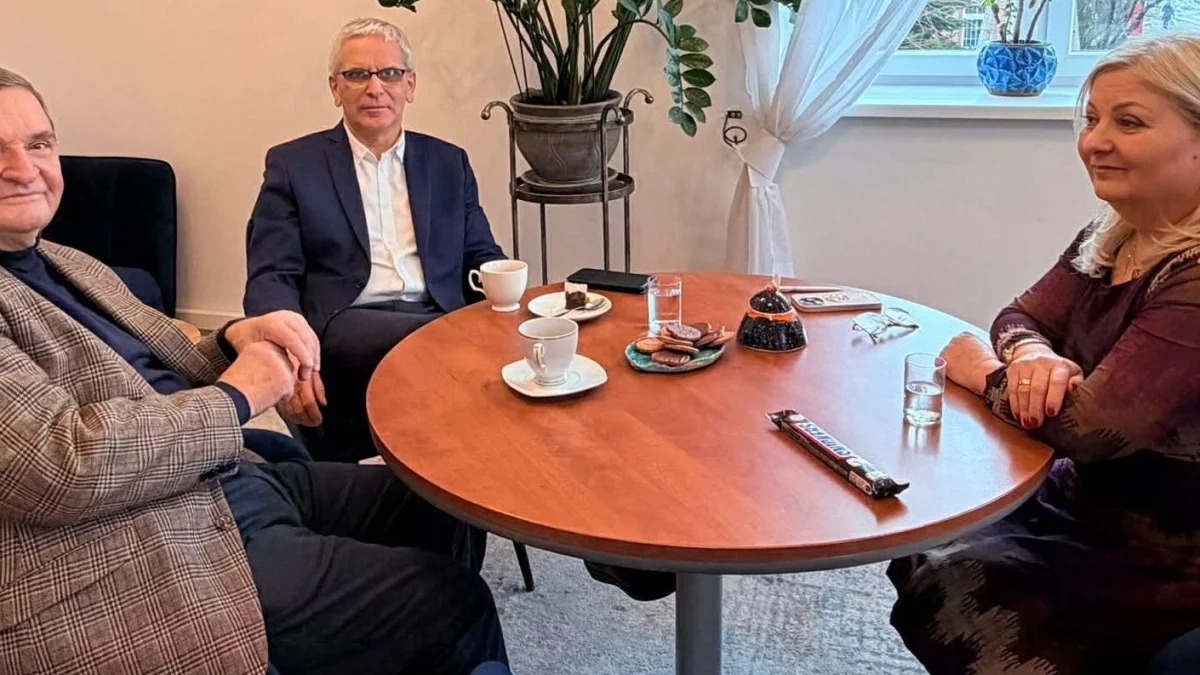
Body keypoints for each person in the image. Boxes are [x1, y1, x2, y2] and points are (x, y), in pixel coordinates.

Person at [0, 68, 505, 675]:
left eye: (39, 144)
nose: (23, 168)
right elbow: (60, 465)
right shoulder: (297, 163)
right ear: (335, 86)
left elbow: (162, 360)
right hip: (136, 539)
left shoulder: (67, 262)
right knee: (453, 603)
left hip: (218, 475)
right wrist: (240, 394)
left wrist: (233, 338)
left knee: (439, 503)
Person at [888, 35, 1200, 674]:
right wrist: (1032, 355)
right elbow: (1020, 316)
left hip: (1163, 555)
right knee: (926, 540)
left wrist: (983, 370)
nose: (1093, 142)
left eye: (1129, 123)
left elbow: (1089, 429)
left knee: (968, 592)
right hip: (1079, 502)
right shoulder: (1114, 233)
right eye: (1092, 119)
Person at [243, 17, 506, 462]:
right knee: (449, 346)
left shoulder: (448, 162)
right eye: (357, 74)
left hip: (436, 310)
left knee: (493, 354)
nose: (375, 88)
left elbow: (481, 254)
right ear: (335, 87)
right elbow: (271, 274)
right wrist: (286, 350)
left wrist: (509, 298)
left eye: (389, 73)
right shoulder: (294, 164)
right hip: (348, 317)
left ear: (410, 85)